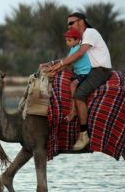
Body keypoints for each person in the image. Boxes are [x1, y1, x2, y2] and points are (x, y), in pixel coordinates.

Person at [48, 12, 112, 150]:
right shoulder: (81, 38)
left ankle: (84, 135)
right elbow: (72, 57)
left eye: (71, 23)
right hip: (90, 70)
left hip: (100, 70)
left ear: (81, 21)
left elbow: (79, 54)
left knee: (79, 95)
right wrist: (53, 66)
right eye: (68, 24)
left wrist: (59, 65)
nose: (70, 26)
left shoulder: (90, 33)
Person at [60, 27, 91, 122]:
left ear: (77, 40)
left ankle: (73, 110)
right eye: (66, 40)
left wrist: (55, 69)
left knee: (73, 85)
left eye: (69, 40)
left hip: (84, 73)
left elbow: (67, 63)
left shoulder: (77, 49)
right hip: (77, 72)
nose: (67, 42)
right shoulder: (73, 48)